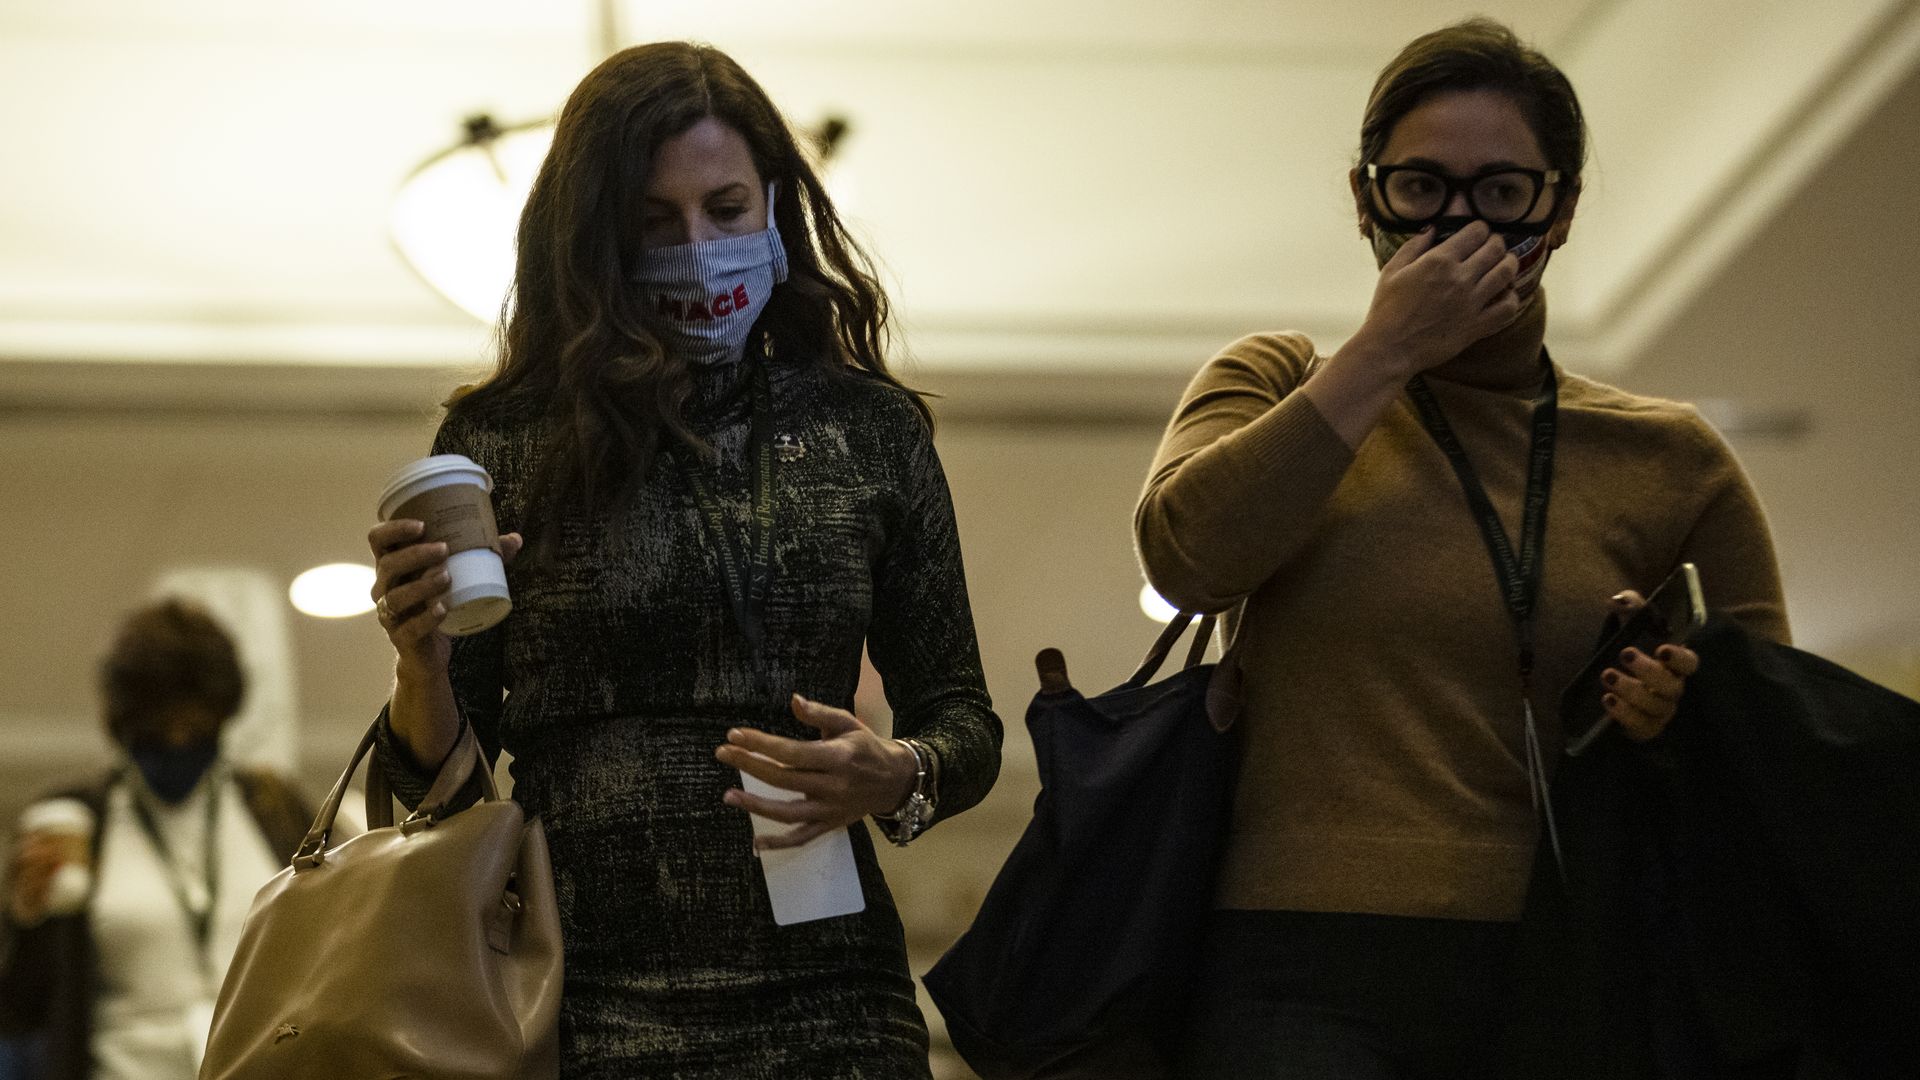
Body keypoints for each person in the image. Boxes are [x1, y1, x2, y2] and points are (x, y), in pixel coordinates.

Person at [1133, 18, 1790, 1079]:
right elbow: (1186, 561)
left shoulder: (1671, 461)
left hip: (1576, 954)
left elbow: (1769, 747)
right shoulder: (1274, 383)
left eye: (1500, 193)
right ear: (1364, 199)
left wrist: (1679, 713)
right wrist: (1386, 351)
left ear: (1562, 209)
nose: (1458, 225)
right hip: (1293, 960)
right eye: (1421, 188)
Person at [364, 42, 1001, 1079]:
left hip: (835, 1001)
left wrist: (896, 774)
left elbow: (965, 722)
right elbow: (434, 795)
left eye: (727, 208)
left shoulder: (868, 431)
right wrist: (419, 661)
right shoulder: (501, 441)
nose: (698, 247)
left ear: (777, 212)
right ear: (592, 240)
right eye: (654, 223)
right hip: (578, 995)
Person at [0, 599, 313, 1080]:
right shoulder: (78, 822)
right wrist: (23, 918)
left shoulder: (275, 808)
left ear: (222, 716)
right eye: (157, 730)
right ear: (124, 726)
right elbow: (20, 1010)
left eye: (194, 728)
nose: (177, 743)